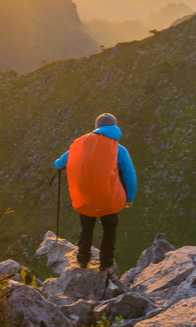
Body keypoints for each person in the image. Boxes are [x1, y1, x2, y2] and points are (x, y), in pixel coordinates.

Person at [54, 113, 137, 272]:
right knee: (110, 227)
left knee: (87, 228)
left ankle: (82, 260)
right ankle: (106, 263)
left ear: (97, 127)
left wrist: (60, 164)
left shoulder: (82, 144)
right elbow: (129, 176)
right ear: (114, 127)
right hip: (110, 199)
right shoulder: (119, 149)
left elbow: (59, 163)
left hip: (86, 198)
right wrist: (129, 197)